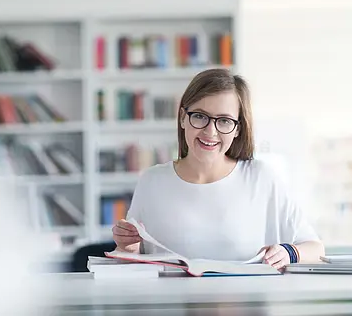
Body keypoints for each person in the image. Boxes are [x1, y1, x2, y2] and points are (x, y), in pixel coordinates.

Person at [112, 68, 324, 269]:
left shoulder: (262, 178)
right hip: (171, 307)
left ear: (237, 129)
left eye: (224, 121)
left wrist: (290, 252)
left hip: (247, 306)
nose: (210, 132)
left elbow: (315, 248)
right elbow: (131, 261)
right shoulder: (152, 181)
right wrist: (128, 248)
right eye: (200, 116)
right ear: (183, 118)